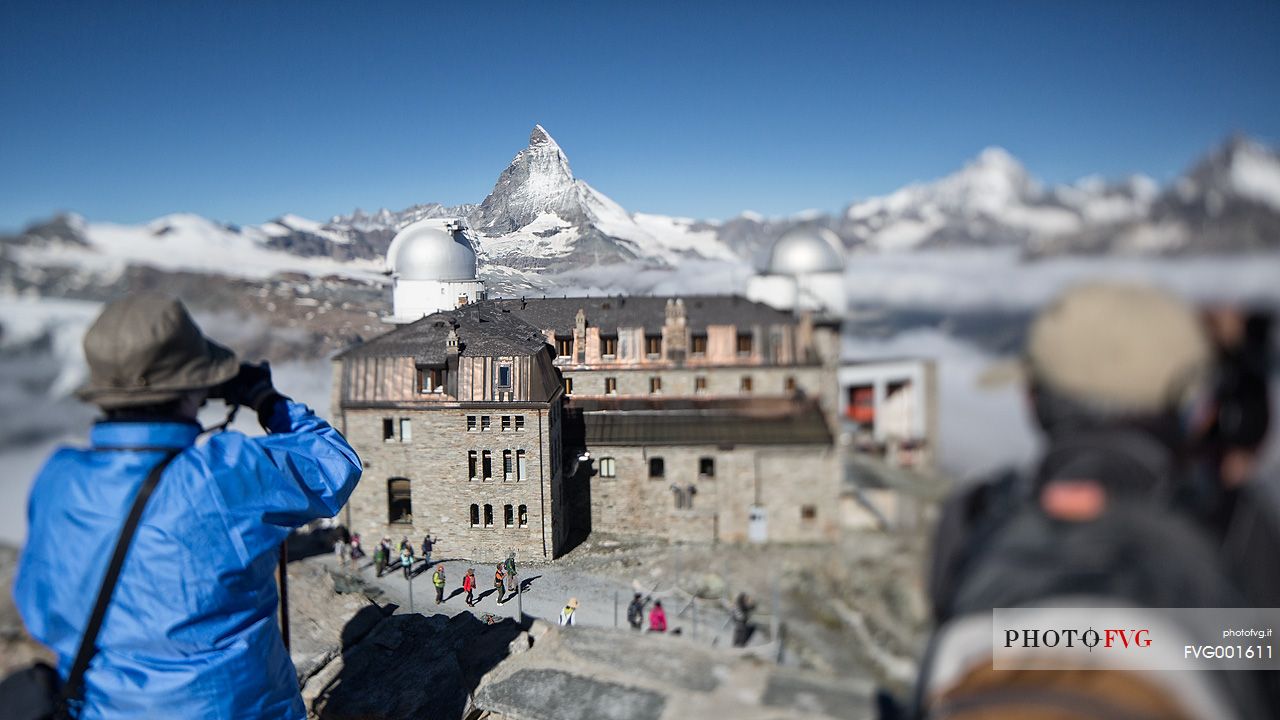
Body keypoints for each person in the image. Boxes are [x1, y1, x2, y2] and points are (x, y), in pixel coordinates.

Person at [914, 283, 1274, 719]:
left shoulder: (975, 517)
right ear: (1199, 411)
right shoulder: (1236, 526)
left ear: (1034, 402)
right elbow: (1258, 665)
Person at [13, 293, 363, 719]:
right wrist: (269, 402)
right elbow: (335, 465)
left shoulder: (57, 479)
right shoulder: (224, 476)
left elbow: (39, 609)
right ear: (195, 385)